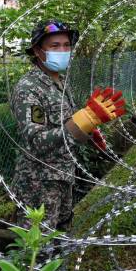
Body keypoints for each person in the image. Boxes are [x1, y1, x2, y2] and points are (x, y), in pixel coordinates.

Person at [11, 20, 126, 229]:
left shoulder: (60, 82)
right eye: (55, 46)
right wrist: (83, 121)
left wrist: (90, 128)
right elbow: (36, 141)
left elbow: (69, 122)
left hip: (65, 174)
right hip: (39, 182)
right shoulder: (29, 88)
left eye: (66, 45)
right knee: (38, 247)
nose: (63, 50)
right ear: (38, 51)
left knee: (62, 235)